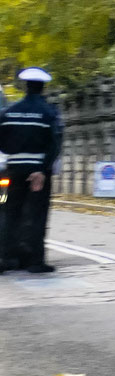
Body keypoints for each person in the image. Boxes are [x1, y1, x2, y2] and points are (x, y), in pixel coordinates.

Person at [0, 66, 62, 273]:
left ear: (25, 86)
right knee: (36, 214)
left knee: (11, 213)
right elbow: (55, 144)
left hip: (14, 168)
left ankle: (6, 258)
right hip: (38, 171)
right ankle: (35, 261)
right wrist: (42, 169)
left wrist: (14, 152)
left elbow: (2, 142)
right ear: (43, 87)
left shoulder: (9, 112)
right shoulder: (48, 112)